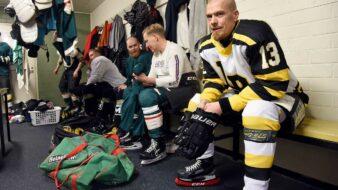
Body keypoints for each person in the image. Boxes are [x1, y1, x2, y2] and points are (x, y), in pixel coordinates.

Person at [174, 0, 309, 189]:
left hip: (286, 99)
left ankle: (255, 186)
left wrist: (221, 106)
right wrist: (206, 100)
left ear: (235, 15)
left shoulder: (256, 32)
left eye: (219, 14)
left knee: (257, 110)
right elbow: (215, 81)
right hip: (247, 98)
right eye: (209, 16)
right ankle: (205, 166)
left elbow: (273, 85)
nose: (213, 21)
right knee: (198, 101)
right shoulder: (206, 45)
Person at [134, 23, 198, 165]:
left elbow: (174, 81)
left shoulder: (174, 49)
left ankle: (158, 144)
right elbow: (151, 78)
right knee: (143, 93)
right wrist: (141, 78)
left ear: (156, 37)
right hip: (171, 89)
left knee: (147, 96)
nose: (146, 45)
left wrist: (149, 80)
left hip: (186, 88)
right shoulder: (155, 55)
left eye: (147, 41)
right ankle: (158, 141)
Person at [73, 48, 126, 125]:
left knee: (86, 89)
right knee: (87, 88)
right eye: (89, 56)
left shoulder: (99, 59)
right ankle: (93, 114)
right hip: (110, 85)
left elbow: (95, 77)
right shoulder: (100, 61)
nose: (91, 57)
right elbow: (95, 78)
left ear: (98, 53)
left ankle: (93, 115)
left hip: (117, 86)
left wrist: (85, 86)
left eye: (92, 55)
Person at [117, 36, 152, 150]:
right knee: (128, 92)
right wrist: (126, 84)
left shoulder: (146, 56)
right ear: (127, 48)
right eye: (130, 47)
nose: (133, 48)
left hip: (147, 86)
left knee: (134, 96)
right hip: (134, 86)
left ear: (139, 45)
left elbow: (137, 72)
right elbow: (130, 76)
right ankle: (129, 131)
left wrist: (133, 78)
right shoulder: (129, 59)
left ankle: (125, 130)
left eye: (135, 45)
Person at [53, 49, 84, 114]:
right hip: (67, 71)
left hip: (74, 70)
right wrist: (57, 68)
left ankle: (78, 107)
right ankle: (70, 105)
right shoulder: (62, 48)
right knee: (62, 87)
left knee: (72, 89)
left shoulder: (75, 49)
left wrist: (77, 70)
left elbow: (82, 61)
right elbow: (60, 60)